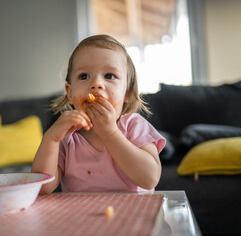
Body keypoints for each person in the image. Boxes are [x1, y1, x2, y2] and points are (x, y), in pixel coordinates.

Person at [31, 34, 166, 194]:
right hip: (82, 217)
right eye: (84, 76)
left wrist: (111, 133)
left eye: (109, 76)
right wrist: (51, 138)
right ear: (70, 92)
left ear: (127, 92)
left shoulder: (133, 125)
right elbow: (42, 188)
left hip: (133, 216)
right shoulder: (67, 136)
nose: (96, 84)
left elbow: (149, 178)